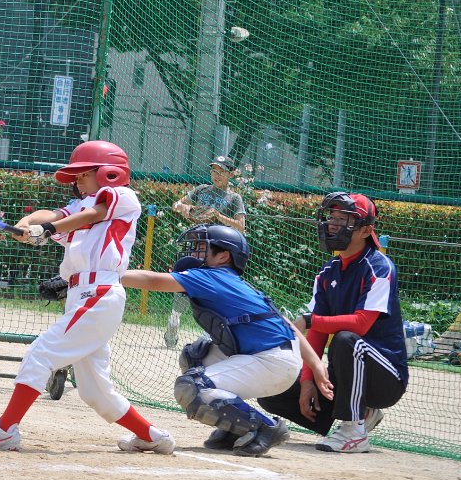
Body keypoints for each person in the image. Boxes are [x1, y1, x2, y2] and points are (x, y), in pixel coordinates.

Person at [0, 141, 175, 454]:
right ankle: (152, 436)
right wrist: (29, 223)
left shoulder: (123, 197)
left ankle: (4, 430)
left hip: (99, 292)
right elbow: (56, 214)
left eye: (84, 173)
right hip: (82, 294)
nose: (77, 180)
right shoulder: (81, 205)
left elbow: (92, 215)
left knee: (41, 353)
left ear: (110, 173)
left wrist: (46, 229)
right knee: (94, 390)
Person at [122, 224, 332, 457]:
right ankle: (235, 426)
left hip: (272, 362)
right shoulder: (227, 279)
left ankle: (265, 428)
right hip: (268, 356)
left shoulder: (212, 276)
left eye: (202, 247)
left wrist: (106, 275)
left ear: (223, 256)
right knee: (195, 355)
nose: (194, 253)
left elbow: (152, 280)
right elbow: (286, 324)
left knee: (191, 386)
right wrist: (315, 363)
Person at [258, 192, 407, 454]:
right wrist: (307, 380)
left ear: (366, 230)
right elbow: (316, 333)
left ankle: (354, 429)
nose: (333, 225)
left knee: (345, 338)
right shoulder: (328, 272)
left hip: (385, 378)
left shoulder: (379, 267)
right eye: (332, 218)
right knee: (273, 392)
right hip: (347, 374)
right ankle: (360, 414)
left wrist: (309, 320)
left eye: (344, 220)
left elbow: (360, 324)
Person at [165, 155, 247, 348]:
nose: (216, 175)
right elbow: (176, 205)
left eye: (221, 171)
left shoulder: (234, 198)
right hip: (195, 245)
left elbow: (241, 226)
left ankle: (208, 334)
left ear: (230, 174)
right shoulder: (201, 189)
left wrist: (218, 215)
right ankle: (174, 320)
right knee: (184, 283)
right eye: (214, 170)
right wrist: (185, 207)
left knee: (215, 289)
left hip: (218, 251)